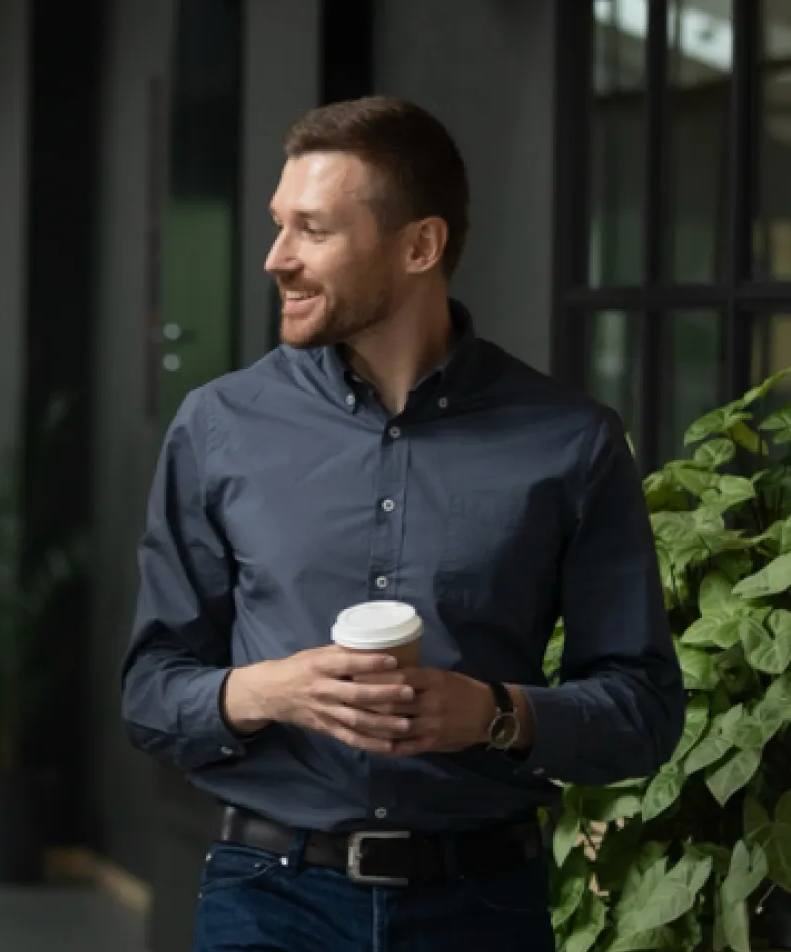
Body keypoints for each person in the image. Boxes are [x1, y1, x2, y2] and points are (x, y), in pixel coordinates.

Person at [120, 96, 684, 952]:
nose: (276, 259)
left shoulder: (571, 441)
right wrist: (276, 689)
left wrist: (495, 714)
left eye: (312, 230)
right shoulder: (217, 425)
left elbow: (644, 711)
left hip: (483, 907)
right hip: (269, 901)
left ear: (420, 246)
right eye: (279, 226)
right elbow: (151, 693)